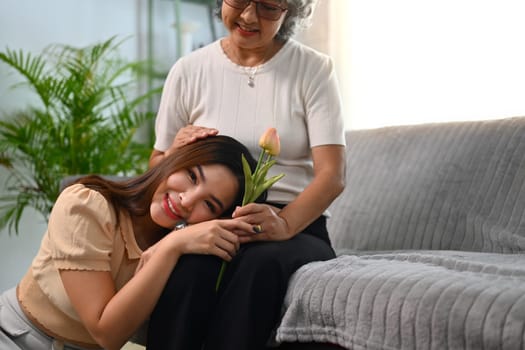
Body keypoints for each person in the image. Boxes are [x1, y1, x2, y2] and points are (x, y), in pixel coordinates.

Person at [146, 0, 346, 349]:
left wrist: (283, 223)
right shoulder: (189, 70)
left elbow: (332, 175)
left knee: (259, 265)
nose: (250, 16)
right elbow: (156, 166)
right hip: (211, 220)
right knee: (189, 270)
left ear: (290, 11)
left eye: (269, 6)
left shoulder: (313, 69)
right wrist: (174, 153)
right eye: (239, 1)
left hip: (295, 226)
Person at [0, 135, 261, 350]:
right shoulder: (85, 206)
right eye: (192, 176)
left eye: (209, 204)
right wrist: (172, 246)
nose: (187, 200)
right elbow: (107, 333)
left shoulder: (186, 249)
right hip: (16, 337)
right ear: (174, 160)